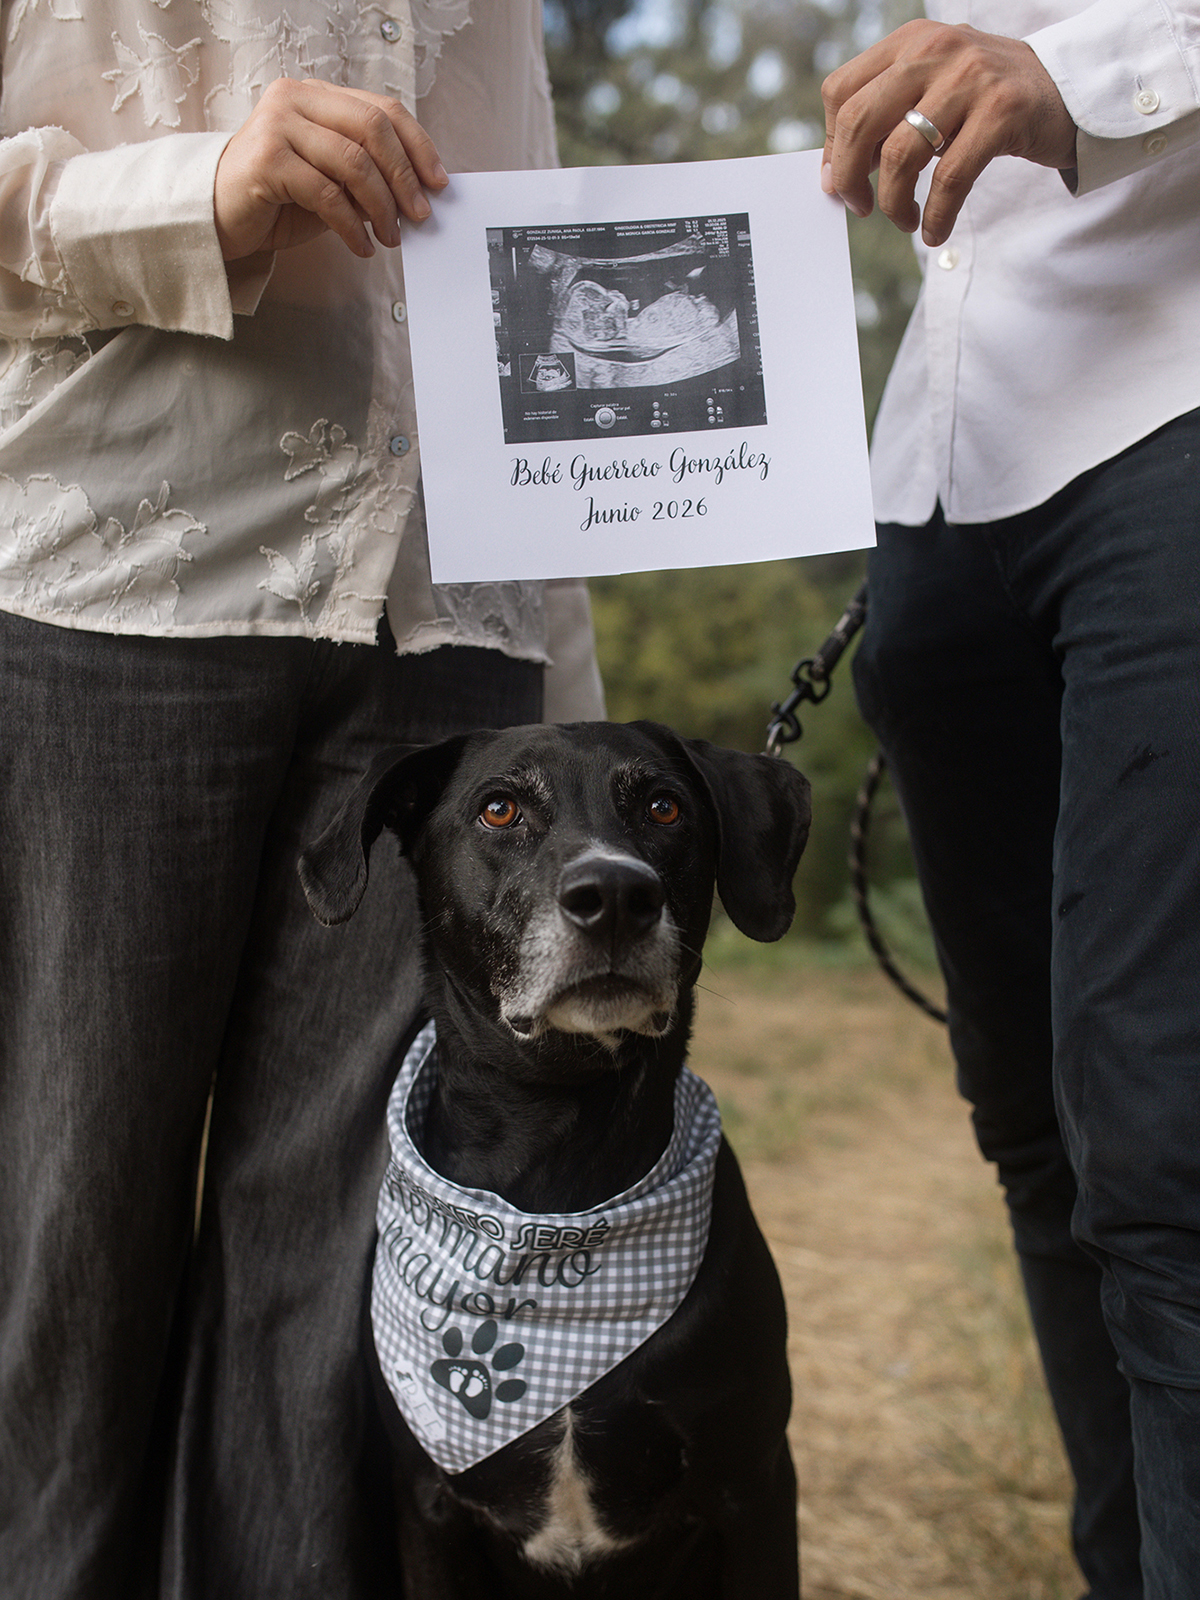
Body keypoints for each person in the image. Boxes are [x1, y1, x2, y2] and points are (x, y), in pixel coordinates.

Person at [0, 5, 604, 1599]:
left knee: (343, 1285)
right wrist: (194, 192)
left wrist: (568, 699)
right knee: (60, 1252)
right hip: (114, 590)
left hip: (452, 644)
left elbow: (523, 290)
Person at [820, 5, 1200, 1596]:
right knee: (1037, 1129)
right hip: (941, 475)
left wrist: (1089, 80)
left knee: (1168, 1139)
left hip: (1169, 426)